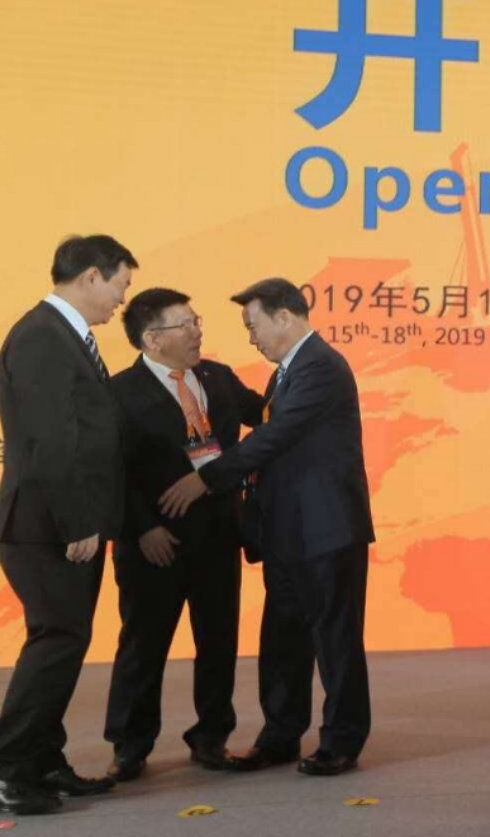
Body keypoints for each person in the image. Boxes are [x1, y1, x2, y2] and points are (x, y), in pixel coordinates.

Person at [160, 278, 375, 776]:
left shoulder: (321, 367)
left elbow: (274, 435)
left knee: (335, 639)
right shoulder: (287, 372)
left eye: (254, 326)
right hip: (288, 532)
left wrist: (206, 479)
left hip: (326, 529)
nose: (251, 338)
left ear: (284, 317)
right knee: (283, 640)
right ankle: (280, 736)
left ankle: (341, 741)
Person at [0, 234, 136, 815]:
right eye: (120, 286)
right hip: (47, 523)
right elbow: (50, 441)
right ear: (90, 276)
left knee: (66, 639)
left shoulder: (64, 336)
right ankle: (10, 767)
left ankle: (43, 761)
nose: (121, 300)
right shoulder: (41, 337)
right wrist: (78, 520)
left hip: (66, 521)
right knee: (57, 639)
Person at [104, 289, 264, 780]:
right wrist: (143, 528)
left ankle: (211, 736)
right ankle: (130, 745)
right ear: (152, 339)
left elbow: (267, 416)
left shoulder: (218, 377)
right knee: (143, 644)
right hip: (155, 543)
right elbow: (113, 471)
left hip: (218, 533)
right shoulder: (119, 392)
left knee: (218, 639)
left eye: (197, 321)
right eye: (186, 324)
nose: (198, 331)